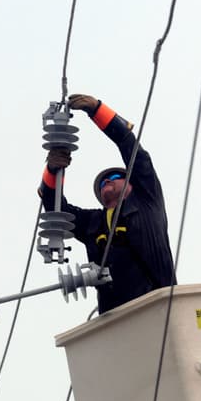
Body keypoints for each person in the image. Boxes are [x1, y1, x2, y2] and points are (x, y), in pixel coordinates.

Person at [38, 93, 175, 314]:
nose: (106, 182)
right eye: (102, 183)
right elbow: (55, 209)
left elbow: (131, 147)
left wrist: (97, 110)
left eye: (114, 178)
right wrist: (52, 170)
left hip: (158, 306)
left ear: (131, 183)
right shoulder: (92, 222)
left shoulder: (147, 200)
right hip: (114, 319)